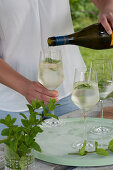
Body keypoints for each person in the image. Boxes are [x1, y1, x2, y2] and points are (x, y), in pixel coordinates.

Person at [0, 0, 86, 137]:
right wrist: (24, 86)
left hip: (68, 93)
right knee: (18, 158)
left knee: (75, 153)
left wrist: (107, 7)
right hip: (14, 106)